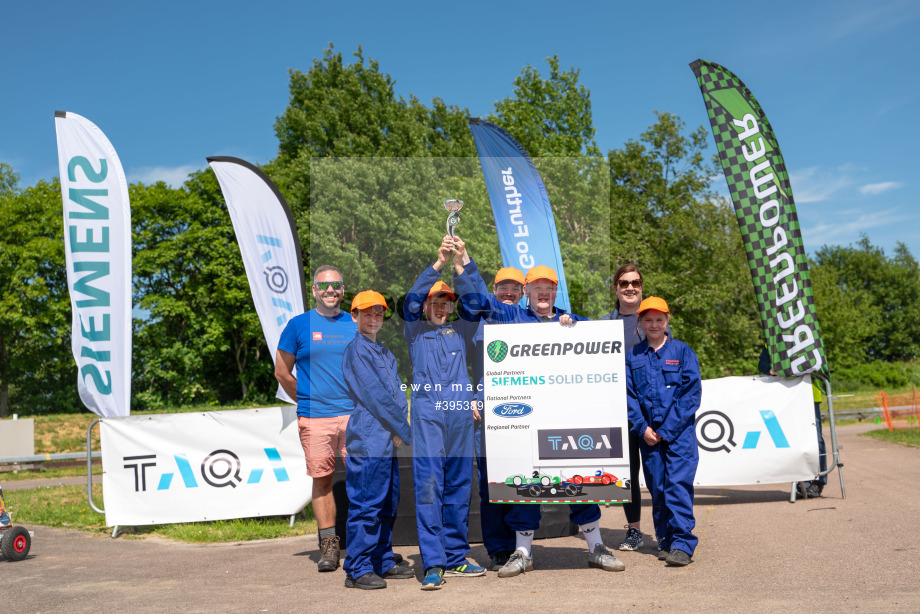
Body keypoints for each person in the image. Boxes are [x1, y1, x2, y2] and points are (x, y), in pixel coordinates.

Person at [453, 239, 625, 576]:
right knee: (523, 484)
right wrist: (464, 261)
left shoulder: (571, 321)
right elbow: (478, 300)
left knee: (580, 481)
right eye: (536, 288)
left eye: (548, 289)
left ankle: (596, 548)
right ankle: (521, 552)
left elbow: (605, 342)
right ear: (526, 292)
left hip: (564, 420)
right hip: (522, 421)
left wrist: (575, 326)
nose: (542, 294)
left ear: (554, 292)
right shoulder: (511, 316)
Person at [403, 237, 486, 591]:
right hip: (428, 414)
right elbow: (408, 300)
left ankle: (454, 557)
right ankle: (433, 563)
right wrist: (437, 264)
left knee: (459, 485)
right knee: (429, 485)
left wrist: (462, 263)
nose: (440, 306)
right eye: (434, 301)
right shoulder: (414, 329)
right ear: (425, 306)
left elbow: (478, 302)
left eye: (445, 302)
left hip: (459, 413)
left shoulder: (463, 329)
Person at [276, 265, 356, 572]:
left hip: (354, 416)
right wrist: (306, 400)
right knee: (322, 481)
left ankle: (367, 544)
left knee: (362, 480)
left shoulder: (355, 322)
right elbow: (282, 372)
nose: (330, 290)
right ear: (314, 290)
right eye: (324, 286)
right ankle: (329, 548)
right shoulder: (298, 326)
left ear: (342, 289)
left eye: (336, 285)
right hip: (315, 418)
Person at [341, 290, 414, 590]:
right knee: (367, 503)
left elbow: (398, 395)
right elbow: (377, 398)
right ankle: (358, 568)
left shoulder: (384, 352)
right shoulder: (356, 350)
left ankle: (381, 561)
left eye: (379, 313)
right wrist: (404, 429)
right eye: (367, 312)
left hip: (387, 433)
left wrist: (399, 428)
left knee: (386, 502)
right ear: (354, 316)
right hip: (370, 433)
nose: (374, 318)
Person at [625, 297, 702, 567]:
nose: (654, 324)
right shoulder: (633, 355)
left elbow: (691, 395)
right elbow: (629, 396)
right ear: (640, 322)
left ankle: (682, 543)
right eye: (648, 319)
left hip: (679, 436)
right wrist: (642, 428)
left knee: (677, 486)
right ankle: (666, 540)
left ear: (667, 321)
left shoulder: (682, 352)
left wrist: (666, 429)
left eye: (659, 319)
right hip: (648, 437)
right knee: (657, 489)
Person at [469, 266, 525, 571]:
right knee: (490, 483)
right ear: (494, 288)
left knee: (520, 479)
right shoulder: (478, 320)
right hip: (487, 411)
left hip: (524, 412)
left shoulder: (529, 320)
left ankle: (521, 544)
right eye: (504, 287)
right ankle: (498, 548)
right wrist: (470, 396)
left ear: (523, 292)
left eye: (515, 288)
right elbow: (460, 364)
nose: (509, 292)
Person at [599, 264, 654, 552]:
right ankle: (634, 531)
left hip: (652, 410)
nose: (630, 287)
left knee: (659, 473)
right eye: (624, 283)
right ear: (616, 288)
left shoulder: (652, 319)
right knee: (628, 474)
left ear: (641, 286)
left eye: (635, 282)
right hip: (618, 410)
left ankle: (668, 530)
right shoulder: (604, 323)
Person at [758, 347, 827, 497]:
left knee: (815, 439)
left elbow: (818, 363)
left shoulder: (806, 337)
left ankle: (817, 482)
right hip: (787, 398)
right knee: (794, 439)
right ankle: (803, 482)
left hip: (809, 395)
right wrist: (771, 370)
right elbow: (762, 364)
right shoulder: (773, 339)